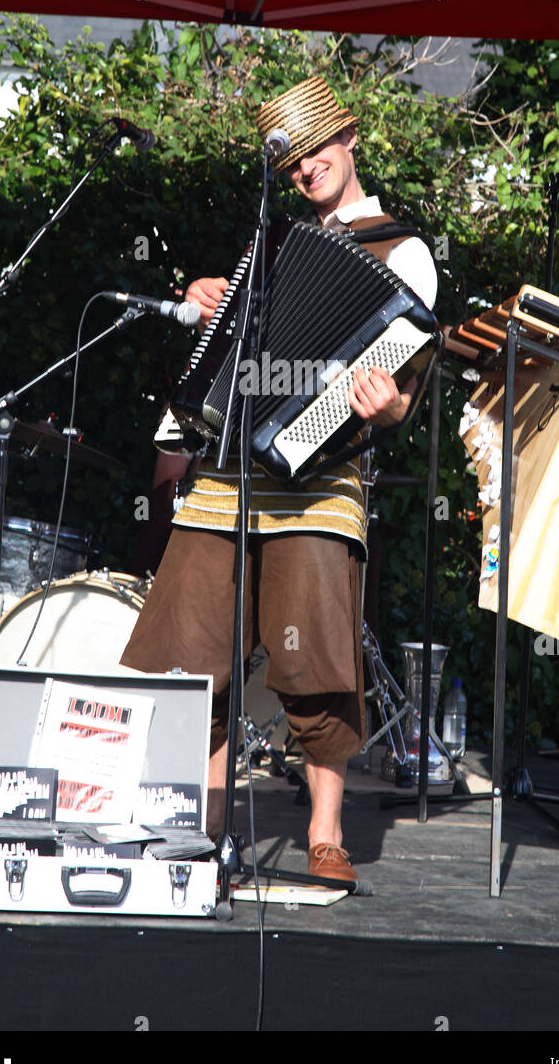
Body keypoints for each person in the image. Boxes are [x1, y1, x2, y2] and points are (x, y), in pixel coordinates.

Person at [119, 75, 437, 883]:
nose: (306, 169)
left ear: (350, 138)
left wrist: (389, 406)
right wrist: (209, 302)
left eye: (317, 150)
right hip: (232, 469)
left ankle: (326, 830)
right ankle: (208, 823)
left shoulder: (403, 251)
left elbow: (398, 395)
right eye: (292, 161)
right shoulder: (276, 244)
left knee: (318, 658)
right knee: (196, 645)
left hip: (322, 477)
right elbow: (232, 353)